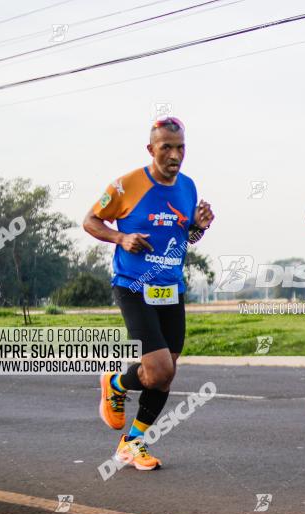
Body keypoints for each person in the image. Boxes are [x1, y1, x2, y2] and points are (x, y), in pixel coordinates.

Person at [83, 116, 214, 471]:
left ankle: (132, 441)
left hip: (171, 288)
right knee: (156, 371)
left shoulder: (187, 187)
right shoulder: (127, 185)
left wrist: (199, 227)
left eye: (180, 147)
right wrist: (120, 237)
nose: (175, 155)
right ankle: (115, 382)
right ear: (151, 149)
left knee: (167, 371)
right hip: (132, 286)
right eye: (166, 147)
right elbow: (90, 221)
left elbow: (184, 239)